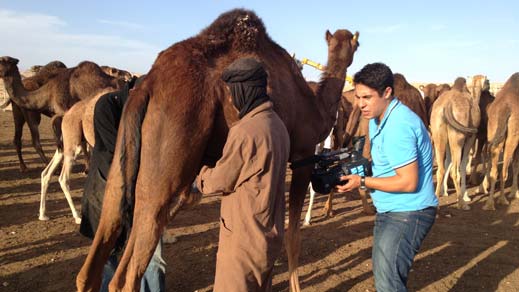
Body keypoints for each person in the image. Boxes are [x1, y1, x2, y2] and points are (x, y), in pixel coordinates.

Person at [337, 62, 438, 292]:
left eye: (367, 97)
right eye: (358, 96)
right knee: (385, 275)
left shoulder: (399, 125)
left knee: (388, 283)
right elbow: (384, 164)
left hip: (409, 212)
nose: (360, 104)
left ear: (387, 92)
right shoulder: (376, 118)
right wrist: (353, 172)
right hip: (390, 209)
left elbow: (408, 181)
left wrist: (361, 182)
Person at [196, 57, 290, 292]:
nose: (230, 98)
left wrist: (200, 176)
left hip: (243, 240)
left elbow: (220, 181)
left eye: (232, 92)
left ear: (243, 90)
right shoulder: (277, 124)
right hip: (267, 235)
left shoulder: (245, 132)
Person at [79, 75, 166, 292]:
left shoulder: (152, 112)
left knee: (152, 258)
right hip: (106, 189)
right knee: (109, 252)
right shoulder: (107, 106)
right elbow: (116, 155)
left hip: (143, 195)